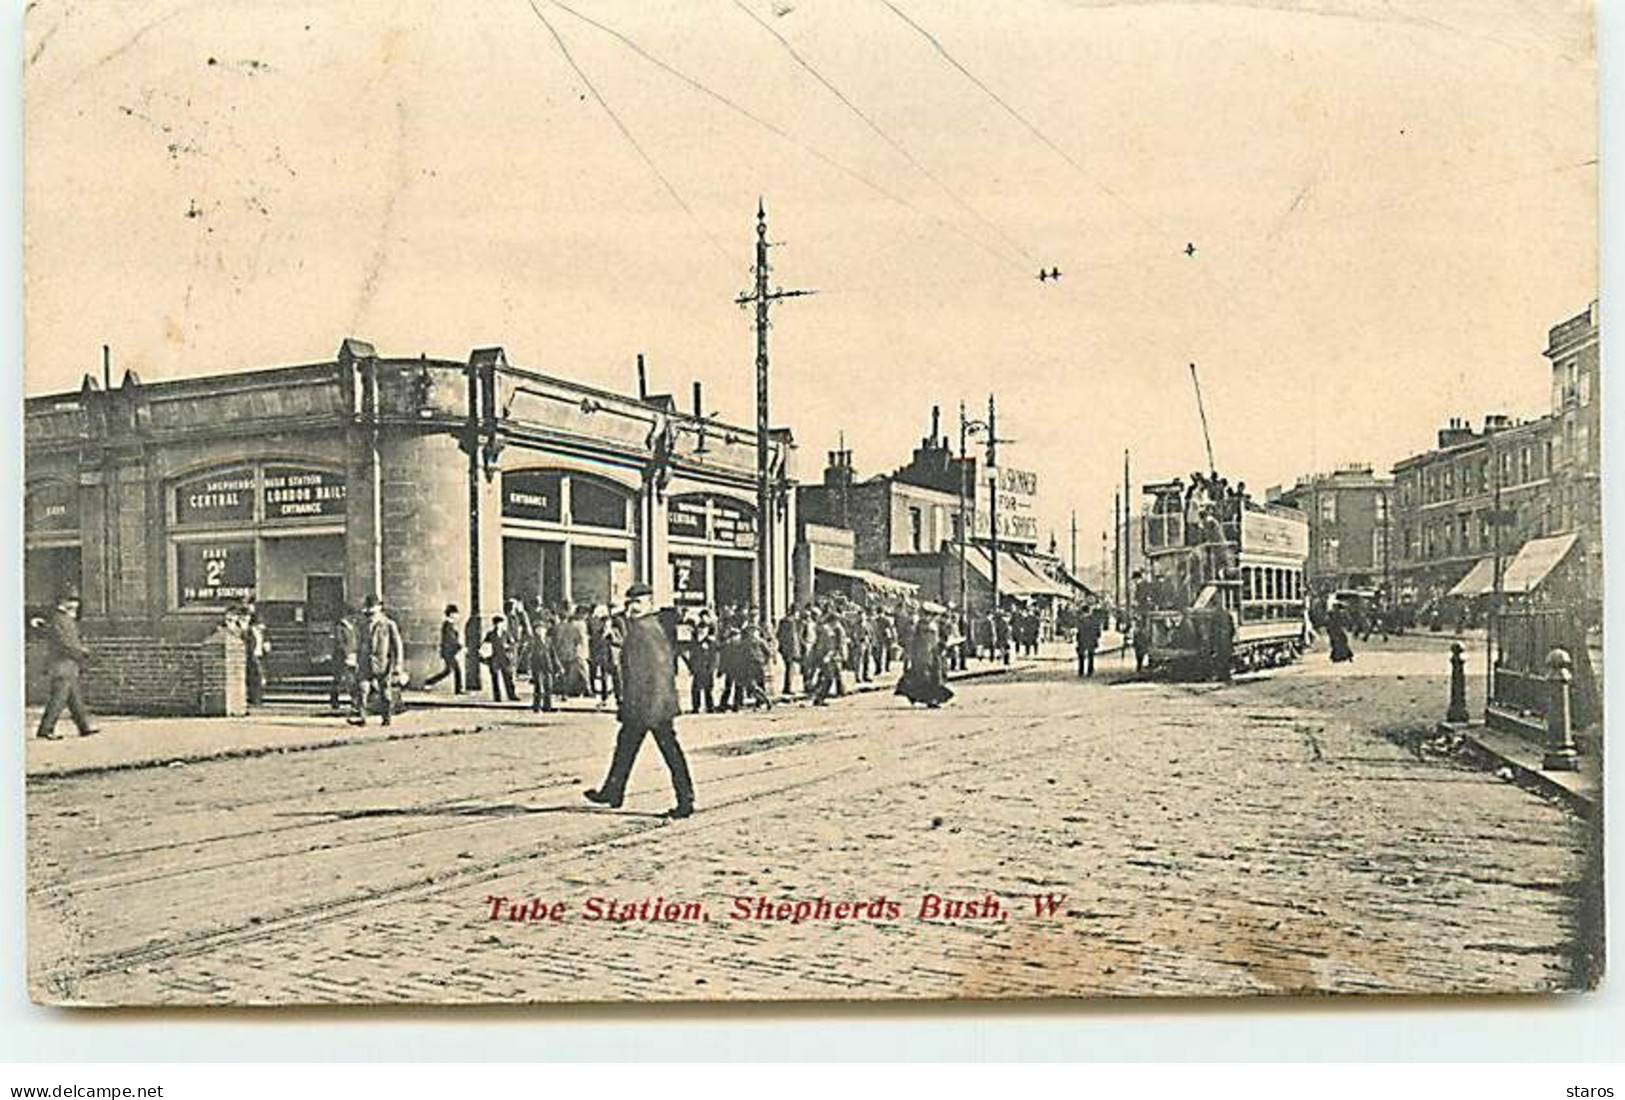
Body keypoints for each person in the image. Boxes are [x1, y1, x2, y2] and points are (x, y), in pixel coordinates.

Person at [584, 583, 695, 819]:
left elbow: (653, 673)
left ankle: (685, 800)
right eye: (630, 603)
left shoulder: (644, 630)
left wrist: (639, 705)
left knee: (667, 751)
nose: (632, 607)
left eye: (638, 602)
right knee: (627, 745)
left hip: (649, 706)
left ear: (649, 604)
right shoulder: (647, 627)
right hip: (650, 704)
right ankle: (613, 791)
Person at [34, 587, 98, 740]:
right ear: (63, 602)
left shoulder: (64, 619)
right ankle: (46, 729)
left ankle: (84, 727)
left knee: (74, 698)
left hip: (68, 664)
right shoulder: (59, 619)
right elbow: (65, 644)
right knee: (59, 699)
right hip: (62, 664)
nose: (75, 604)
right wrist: (81, 652)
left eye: (75, 601)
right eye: (71, 600)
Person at [351, 595, 404, 726]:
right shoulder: (362, 625)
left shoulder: (388, 624)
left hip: (383, 663)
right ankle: (362, 717)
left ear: (379, 609)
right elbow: (357, 643)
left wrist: (398, 665)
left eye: (373, 612)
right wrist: (355, 659)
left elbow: (397, 646)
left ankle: (386, 717)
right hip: (365, 661)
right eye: (368, 613)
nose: (370, 616)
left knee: (385, 692)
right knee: (362, 689)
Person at [895, 612, 953, 708]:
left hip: (933, 655)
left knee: (934, 678)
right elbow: (917, 642)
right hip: (923, 656)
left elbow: (936, 641)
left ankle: (930, 699)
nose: (932, 618)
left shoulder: (933, 626)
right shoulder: (922, 627)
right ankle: (928, 699)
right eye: (930, 615)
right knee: (925, 678)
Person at [423, 604, 465, 694]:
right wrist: (459, 646)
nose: (457, 616)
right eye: (455, 613)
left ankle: (429, 682)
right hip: (448, 652)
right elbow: (450, 639)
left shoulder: (450, 624)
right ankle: (458, 689)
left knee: (448, 670)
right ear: (451, 614)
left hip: (449, 652)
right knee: (456, 670)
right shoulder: (447, 625)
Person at [528, 605, 561, 713]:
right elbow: (529, 655)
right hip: (537, 667)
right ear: (536, 631)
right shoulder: (533, 642)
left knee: (549, 687)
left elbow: (553, 654)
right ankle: (536, 706)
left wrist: (558, 667)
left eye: (542, 629)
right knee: (539, 688)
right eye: (538, 630)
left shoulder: (548, 641)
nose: (541, 631)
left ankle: (548, 707)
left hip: (548, 666)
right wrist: (529, 668)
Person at [685, 609, 717, 713]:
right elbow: (692, 653)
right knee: (696, 688)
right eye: (700, 630)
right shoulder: (695, 641)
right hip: (698, 666)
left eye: (704, 630)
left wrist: (713, 666)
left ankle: (710, 707)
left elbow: (715, 654)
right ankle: (696, 707)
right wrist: (691, 666)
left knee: (708, 688)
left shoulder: (711, 639)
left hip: (708, 666)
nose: (701, 632)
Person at [329, 605, 359, 713]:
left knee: (352, 679)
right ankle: (334, 700)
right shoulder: (340, 627)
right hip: (341, 657)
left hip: (353, 656)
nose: (354, 618)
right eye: (352, 616)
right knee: (338, 679)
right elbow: (340, 642)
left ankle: (355, 702)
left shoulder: (354, 627)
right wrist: (347, 653)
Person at [482, 614, 518, 702]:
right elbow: (485, 646)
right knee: (495, 678)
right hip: (494, 658)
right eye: (498, 623)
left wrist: (508, 647)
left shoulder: (506, 634)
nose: (500, 625)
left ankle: (512, 695)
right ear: (495, 624)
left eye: (501, 623)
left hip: (504, 658)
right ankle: (497, 697)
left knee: (508, 677)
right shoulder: (490, 634)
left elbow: (512, 645)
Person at [244, 599, 269, 705]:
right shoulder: (249, 629)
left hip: (260, 654)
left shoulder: (260, 630)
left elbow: (265, 638)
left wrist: (266, 644)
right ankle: (255, 698)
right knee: (256, 676)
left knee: (261, 677)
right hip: (253, 655)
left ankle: (258, 697)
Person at [776, 609, 803, 695]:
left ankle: (787, 687)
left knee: (788, 668)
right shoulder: (792, 623)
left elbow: (779, 634)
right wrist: (796, 650)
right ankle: (788, 687)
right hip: (790, 648)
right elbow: (793, 638)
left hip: (784, 647)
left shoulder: (782, 622)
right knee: (790, 669)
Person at [1075, 604, 1101, 677]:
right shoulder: (1094, 620)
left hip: (1082, 640)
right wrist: (1096, 637)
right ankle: (1090, 671)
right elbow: (1098, 631)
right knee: (1091, 656)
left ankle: (1081, 671)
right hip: (1091, 640)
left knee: (1081, 656)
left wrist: (1077, 639)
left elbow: (1078, 631)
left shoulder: (1080, 620)